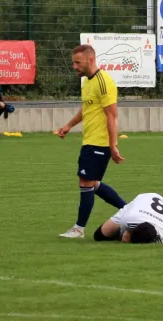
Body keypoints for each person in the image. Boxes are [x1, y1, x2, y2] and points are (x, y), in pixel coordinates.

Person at [57, 44, 127, 239]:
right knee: (93, 183)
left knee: (86, 181)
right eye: (73, 63)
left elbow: (112, 116)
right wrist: (69, 125)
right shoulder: (87, 82)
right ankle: (129, 210)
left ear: (91, 60)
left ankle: (79, 229)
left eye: (77, 62)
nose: (74, 66)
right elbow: (86, 109)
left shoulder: (104, 82)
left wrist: (113, 146)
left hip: (99, 143)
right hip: (89, 141)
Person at [94, 192, 163, 244]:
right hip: (143, 200)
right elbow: (124, 236)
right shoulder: (130, 219)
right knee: (100, 236)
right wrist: (126, 237)